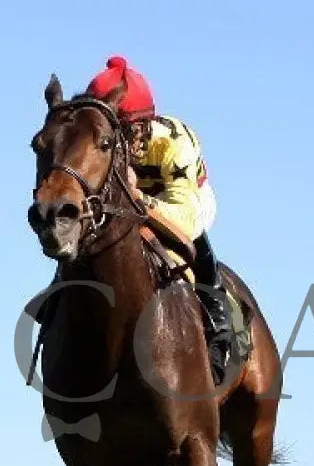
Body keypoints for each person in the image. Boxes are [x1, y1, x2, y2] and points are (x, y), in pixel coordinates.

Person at [83, 56, 232, 384]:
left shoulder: (174, 143)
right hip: (127, 203)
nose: (117, 142)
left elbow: (185, 222)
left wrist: (137, 200)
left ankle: (219, 330)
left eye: (124, 132)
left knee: (192, 241)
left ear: (142, 125)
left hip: (183, 201)